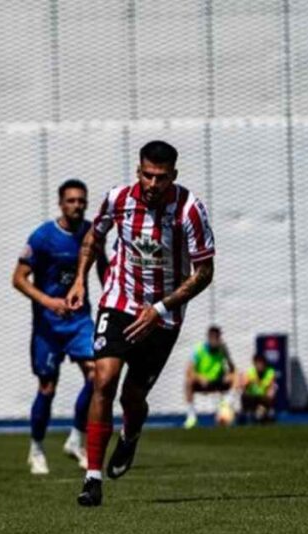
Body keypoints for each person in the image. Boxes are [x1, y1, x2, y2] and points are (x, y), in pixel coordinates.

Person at [65, 140, 215, 507]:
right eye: (147, 175)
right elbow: (93, 237)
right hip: (119, 301)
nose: (152, 183)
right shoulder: (118, 199)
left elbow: (205, 272)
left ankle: (130, 436)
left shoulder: (189, 210)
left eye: (161, 178)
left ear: (173, 176)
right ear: (138, 171)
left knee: (133, 397)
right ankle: (92, 478)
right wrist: (80, 278)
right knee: (104, 380)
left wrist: (160, 308)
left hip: (162, 316)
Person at [12, 179, 102, 474]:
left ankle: (76, 438)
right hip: (48, 326)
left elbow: (104, 269)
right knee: (47, 387)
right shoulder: (43, 237)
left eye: (81, 201)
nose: (77, 205)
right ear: (61, 203)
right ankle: (36, 448)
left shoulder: (92, 235)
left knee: (97, 374)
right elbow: (19, 278)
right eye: (71, 200)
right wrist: (48, 301)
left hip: (80, 321)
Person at [183, 325, 235, 428]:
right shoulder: (199, 350)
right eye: (213, 337)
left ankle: (225, 406)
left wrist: (227, 355)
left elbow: (232, 369)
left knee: (236, 376)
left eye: (217, 337)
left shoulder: (222, 349)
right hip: (203, 382)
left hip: (218, 380)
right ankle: (191, 417)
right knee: (189, 382)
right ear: (208, 337)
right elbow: (189, 371)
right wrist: (199, 377)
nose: (215, 340)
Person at [239, 353, 277, 423]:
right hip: (252, 399)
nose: (260, 365)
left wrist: (269, 395)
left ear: (265, 363)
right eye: (257, 363)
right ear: (254, 363)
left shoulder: (270, 372)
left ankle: (265, 412)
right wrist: (245, 383)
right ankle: (246, 413)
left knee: (271, 392)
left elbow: (271, 389)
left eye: (261, 363)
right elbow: (243, 387)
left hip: (263, 400)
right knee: (244, 396)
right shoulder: (250, 372)